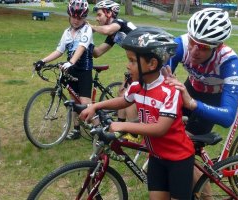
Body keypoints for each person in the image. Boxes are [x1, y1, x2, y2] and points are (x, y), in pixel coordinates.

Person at [80, 27, 195, 200]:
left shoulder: (170, 91)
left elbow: (160, 128)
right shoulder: (137, 86)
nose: (128, 65)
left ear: (152, 64)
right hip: (156, 157)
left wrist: (124, 124)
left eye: (132, 61)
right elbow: (124, 101)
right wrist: (96, 106)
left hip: (178, 159)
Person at [163, 8, 238, 190]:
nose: (195, 50)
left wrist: (191, 103)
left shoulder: (229, 62)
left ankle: (206, 194)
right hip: (190, 88)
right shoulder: (181, 44)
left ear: (218, 46)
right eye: (193, 42)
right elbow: (160, 81)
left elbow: (228, 116)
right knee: (167, 135)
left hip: (212, 99)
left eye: (204, 47)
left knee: (182, 147)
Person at [33, 0, 93, 140]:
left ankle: (99, 131)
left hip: (84, 70)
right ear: (69, 15)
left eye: (80, 17)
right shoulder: (67, 32)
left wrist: (71, 62)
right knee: (73, 101)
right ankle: (76, 129)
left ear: (84, 17)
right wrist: (43, 61)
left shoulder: (87, 29)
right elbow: (59, 51)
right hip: (71, 69)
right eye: (74, 16)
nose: (76, 20)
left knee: (85, 104)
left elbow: (82, 47)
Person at [91, 0, 138, 124]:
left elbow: (107, 30)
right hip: (136, 64)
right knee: (122, 93)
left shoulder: (119, 23)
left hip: (146, 62)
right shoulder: (113, 35)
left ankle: (134, 133)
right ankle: (121, 127)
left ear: (109, 13)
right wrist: (85, 42)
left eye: (99, 14)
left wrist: (91, 28)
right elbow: (97, 53)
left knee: (128, 95)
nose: (97, 18)